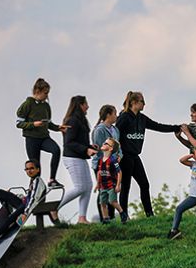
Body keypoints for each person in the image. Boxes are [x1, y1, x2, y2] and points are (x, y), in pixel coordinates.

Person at [116, 91, 181, 217]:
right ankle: (124, 216)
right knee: (126, 186)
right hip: (124, 157)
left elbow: (158, 126)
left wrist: (176, 128)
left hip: (135, 156)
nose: (144, 104)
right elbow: (114, 135)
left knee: (144, 184)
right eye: (142, 102)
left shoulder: (142, 118)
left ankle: (150, 214)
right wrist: (116, 154)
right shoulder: (124, 117)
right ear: (134, 102)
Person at [0, 160, 48, 249]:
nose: (29, 171)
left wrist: (25, 213)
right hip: (24, 204)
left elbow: (34, 199)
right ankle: (11, 216)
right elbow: (28, 197)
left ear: (38, 170)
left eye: (32, 168)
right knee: (1, 193)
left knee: (19, 209)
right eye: (27, 169)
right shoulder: (33, 181)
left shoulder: (38, 181)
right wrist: (16, 196)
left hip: (28, 207)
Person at [51, 95, 97, 224]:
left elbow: (79, 141)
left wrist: (89, 147)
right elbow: (69, 142)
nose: (87, 106)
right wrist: (86, 150)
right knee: (80, 187)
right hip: (72, 157)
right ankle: (54, 209)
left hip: (79, 157)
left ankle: (82, 218)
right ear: (80, 105)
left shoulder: (80, 120)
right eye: (85, 104)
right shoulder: (72, 120)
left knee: (88, 186)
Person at [15, 78, 68, 188]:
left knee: (56, 150)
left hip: (44, 137)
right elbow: (19, 123)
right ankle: (33, 191)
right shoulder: (27, 104)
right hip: (31, 139)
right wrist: (33, 124)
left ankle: (52, 179)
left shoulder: (46, 106)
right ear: (37, 91)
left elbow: (48, 123)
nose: (47, 96)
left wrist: (58, 128)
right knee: (36, 168)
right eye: (45, 93)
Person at [91, 104, 121, 221]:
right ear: (108, 115)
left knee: (112, 190)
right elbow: (99, 150)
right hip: (102, 165)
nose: (116, 116)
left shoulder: (115, 129)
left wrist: (119, 156)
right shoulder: (99, 130)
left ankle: (112, 217)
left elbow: (118, 146)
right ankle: (105, 218)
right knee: (103, 190)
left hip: (113, 163)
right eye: (114, 113)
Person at [95, 137, 128, 223]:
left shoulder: (113, 160)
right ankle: (106, 219)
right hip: (103, 186)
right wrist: (97, 184)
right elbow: (99, 172)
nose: (103, 144)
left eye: (106, 143)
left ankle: (122, 213)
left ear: (110, 148)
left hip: (111, 185)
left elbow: (119, 172)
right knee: (102, 203)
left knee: (112, 201)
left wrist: (118, 185)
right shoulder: (100, 160)